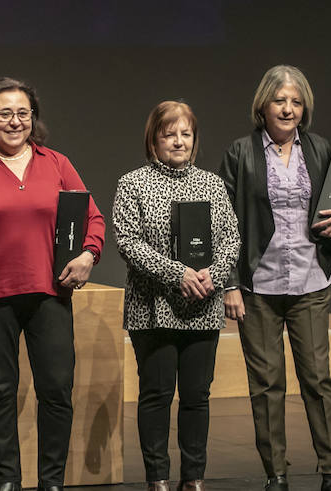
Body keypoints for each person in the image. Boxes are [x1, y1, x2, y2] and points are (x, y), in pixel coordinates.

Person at [0, 77, 105, 491]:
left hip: (49, 295)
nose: (15, 121)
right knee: (0, 392)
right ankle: (8, 482)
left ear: (33, 118)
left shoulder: (56, 163)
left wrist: (88, 255)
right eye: (4, 113)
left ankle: (51, 481)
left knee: (56, 390)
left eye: (23, 113)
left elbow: (93, 217)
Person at [217, 65, 331, 491]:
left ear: (305, 109)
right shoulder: (240, 153)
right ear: (262, 105)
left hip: (310, 280)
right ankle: (276, 473)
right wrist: (229, 283)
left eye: (296, 102)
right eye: (280, 101)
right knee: (266, 385)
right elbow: (222, 222)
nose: (288, 109)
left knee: (318, 379)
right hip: (257, 285)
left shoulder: (319, 150)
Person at [113, 101, 239, 491]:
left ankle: (194, 477)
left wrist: (210, 276)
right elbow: (127, 241)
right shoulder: (132, 183)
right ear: (154, 139)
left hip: (202, 305)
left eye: (186, 134)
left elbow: (231, 240)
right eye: (170, 134)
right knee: (156, 394)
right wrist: (176, 273)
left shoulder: (212, 184)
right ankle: (157, 478)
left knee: (197, 396)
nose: (179, 141)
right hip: (152, 309)